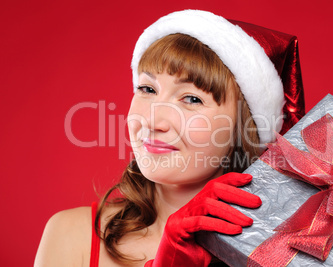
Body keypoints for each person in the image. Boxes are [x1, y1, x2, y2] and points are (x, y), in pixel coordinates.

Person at [34, 10, 305, 267]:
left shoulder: (285, 252)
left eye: (192, 99)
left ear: (244, 129)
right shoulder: (72, 234)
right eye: (147, 89)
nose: (152, 121)